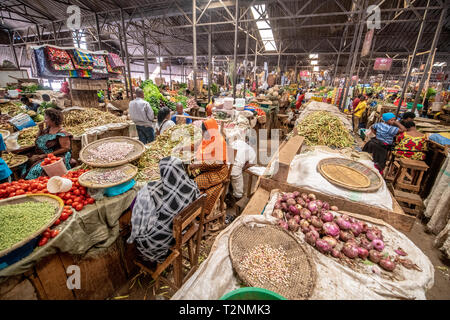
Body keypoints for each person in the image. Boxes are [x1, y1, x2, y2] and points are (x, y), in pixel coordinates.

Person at [127, 156, 200, 265]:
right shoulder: (193, 186)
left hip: (157, 243)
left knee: (137, 230)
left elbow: (139, 222)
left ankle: (149, 259)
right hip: (181, 233)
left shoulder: (151, 190)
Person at [189, 119, 229, 216]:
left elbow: (217, 163)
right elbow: (196, 145)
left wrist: (198, 165)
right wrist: (183, 148)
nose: (202, 134)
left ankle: (200, 212)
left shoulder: (219, 141)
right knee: (189, 178)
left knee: (195, 183)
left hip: (218, 171)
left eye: (203, 131)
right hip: (206, 168)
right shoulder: (207, 138)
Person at [25, 108, 73, 180]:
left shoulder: (62, 133)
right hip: (44, 154)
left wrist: (46, 155)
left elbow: (65, 148)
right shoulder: (48, 128)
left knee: (37, 170)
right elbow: (38, 139)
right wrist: (40, 130)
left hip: (57, 155)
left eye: (46, 119)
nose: (44, 121)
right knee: (25, 164)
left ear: (53, 120)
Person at [228, 134, 256, 203]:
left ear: (246, 139)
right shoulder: (252, 151)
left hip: (226, 165)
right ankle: (237, 204)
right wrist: (243, 169)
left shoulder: (238, 141)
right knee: (238, 189)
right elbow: (250, 164)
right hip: (236, 170)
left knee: (226, 182)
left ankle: (227, 195)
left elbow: (229, 148)